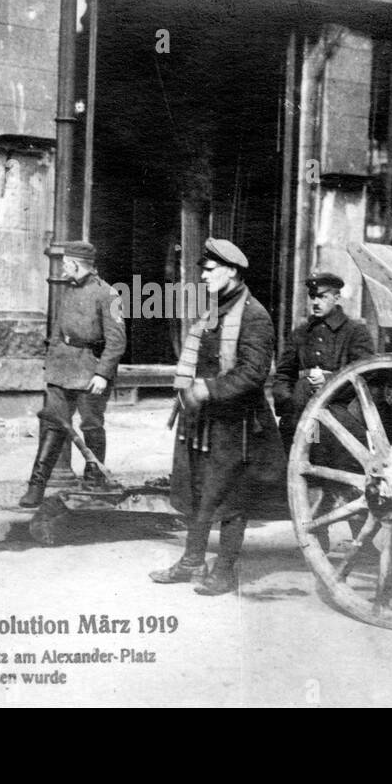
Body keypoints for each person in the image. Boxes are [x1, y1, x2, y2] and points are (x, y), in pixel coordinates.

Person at [150, 238, 286, 596]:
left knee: (230, 497)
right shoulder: (213, 311)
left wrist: (207, 389)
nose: (205, 276)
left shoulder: (255, 315)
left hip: (236, 424)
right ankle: (192, 560)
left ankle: (225, 570)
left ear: (233, 271)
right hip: (202, 420)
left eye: (211, 270)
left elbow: (253, 374)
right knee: (197, 490)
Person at [17, 241, 127, 508]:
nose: (63, 268)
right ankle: (37, 485)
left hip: (90, 371)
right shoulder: (68, 289)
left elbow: (117, 341)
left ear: (76, 265)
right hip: (62, 369)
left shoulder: (109, 294)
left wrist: (102, 374)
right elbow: (58, 330)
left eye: (66, 264)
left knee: (91, 425)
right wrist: (51, 363)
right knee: (53, 425)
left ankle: (93, 481)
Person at [271, 271, 375, 452]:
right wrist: (289, 402)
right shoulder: (301, 332)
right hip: (299, 413)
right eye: (312, 297)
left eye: (322, 297)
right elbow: (284, 374)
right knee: (296, 458)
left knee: (324, 459)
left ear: (336, 297)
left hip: (338, 415)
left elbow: (365, 373)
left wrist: (328, 383)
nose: (315, 302)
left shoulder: (355, 331)